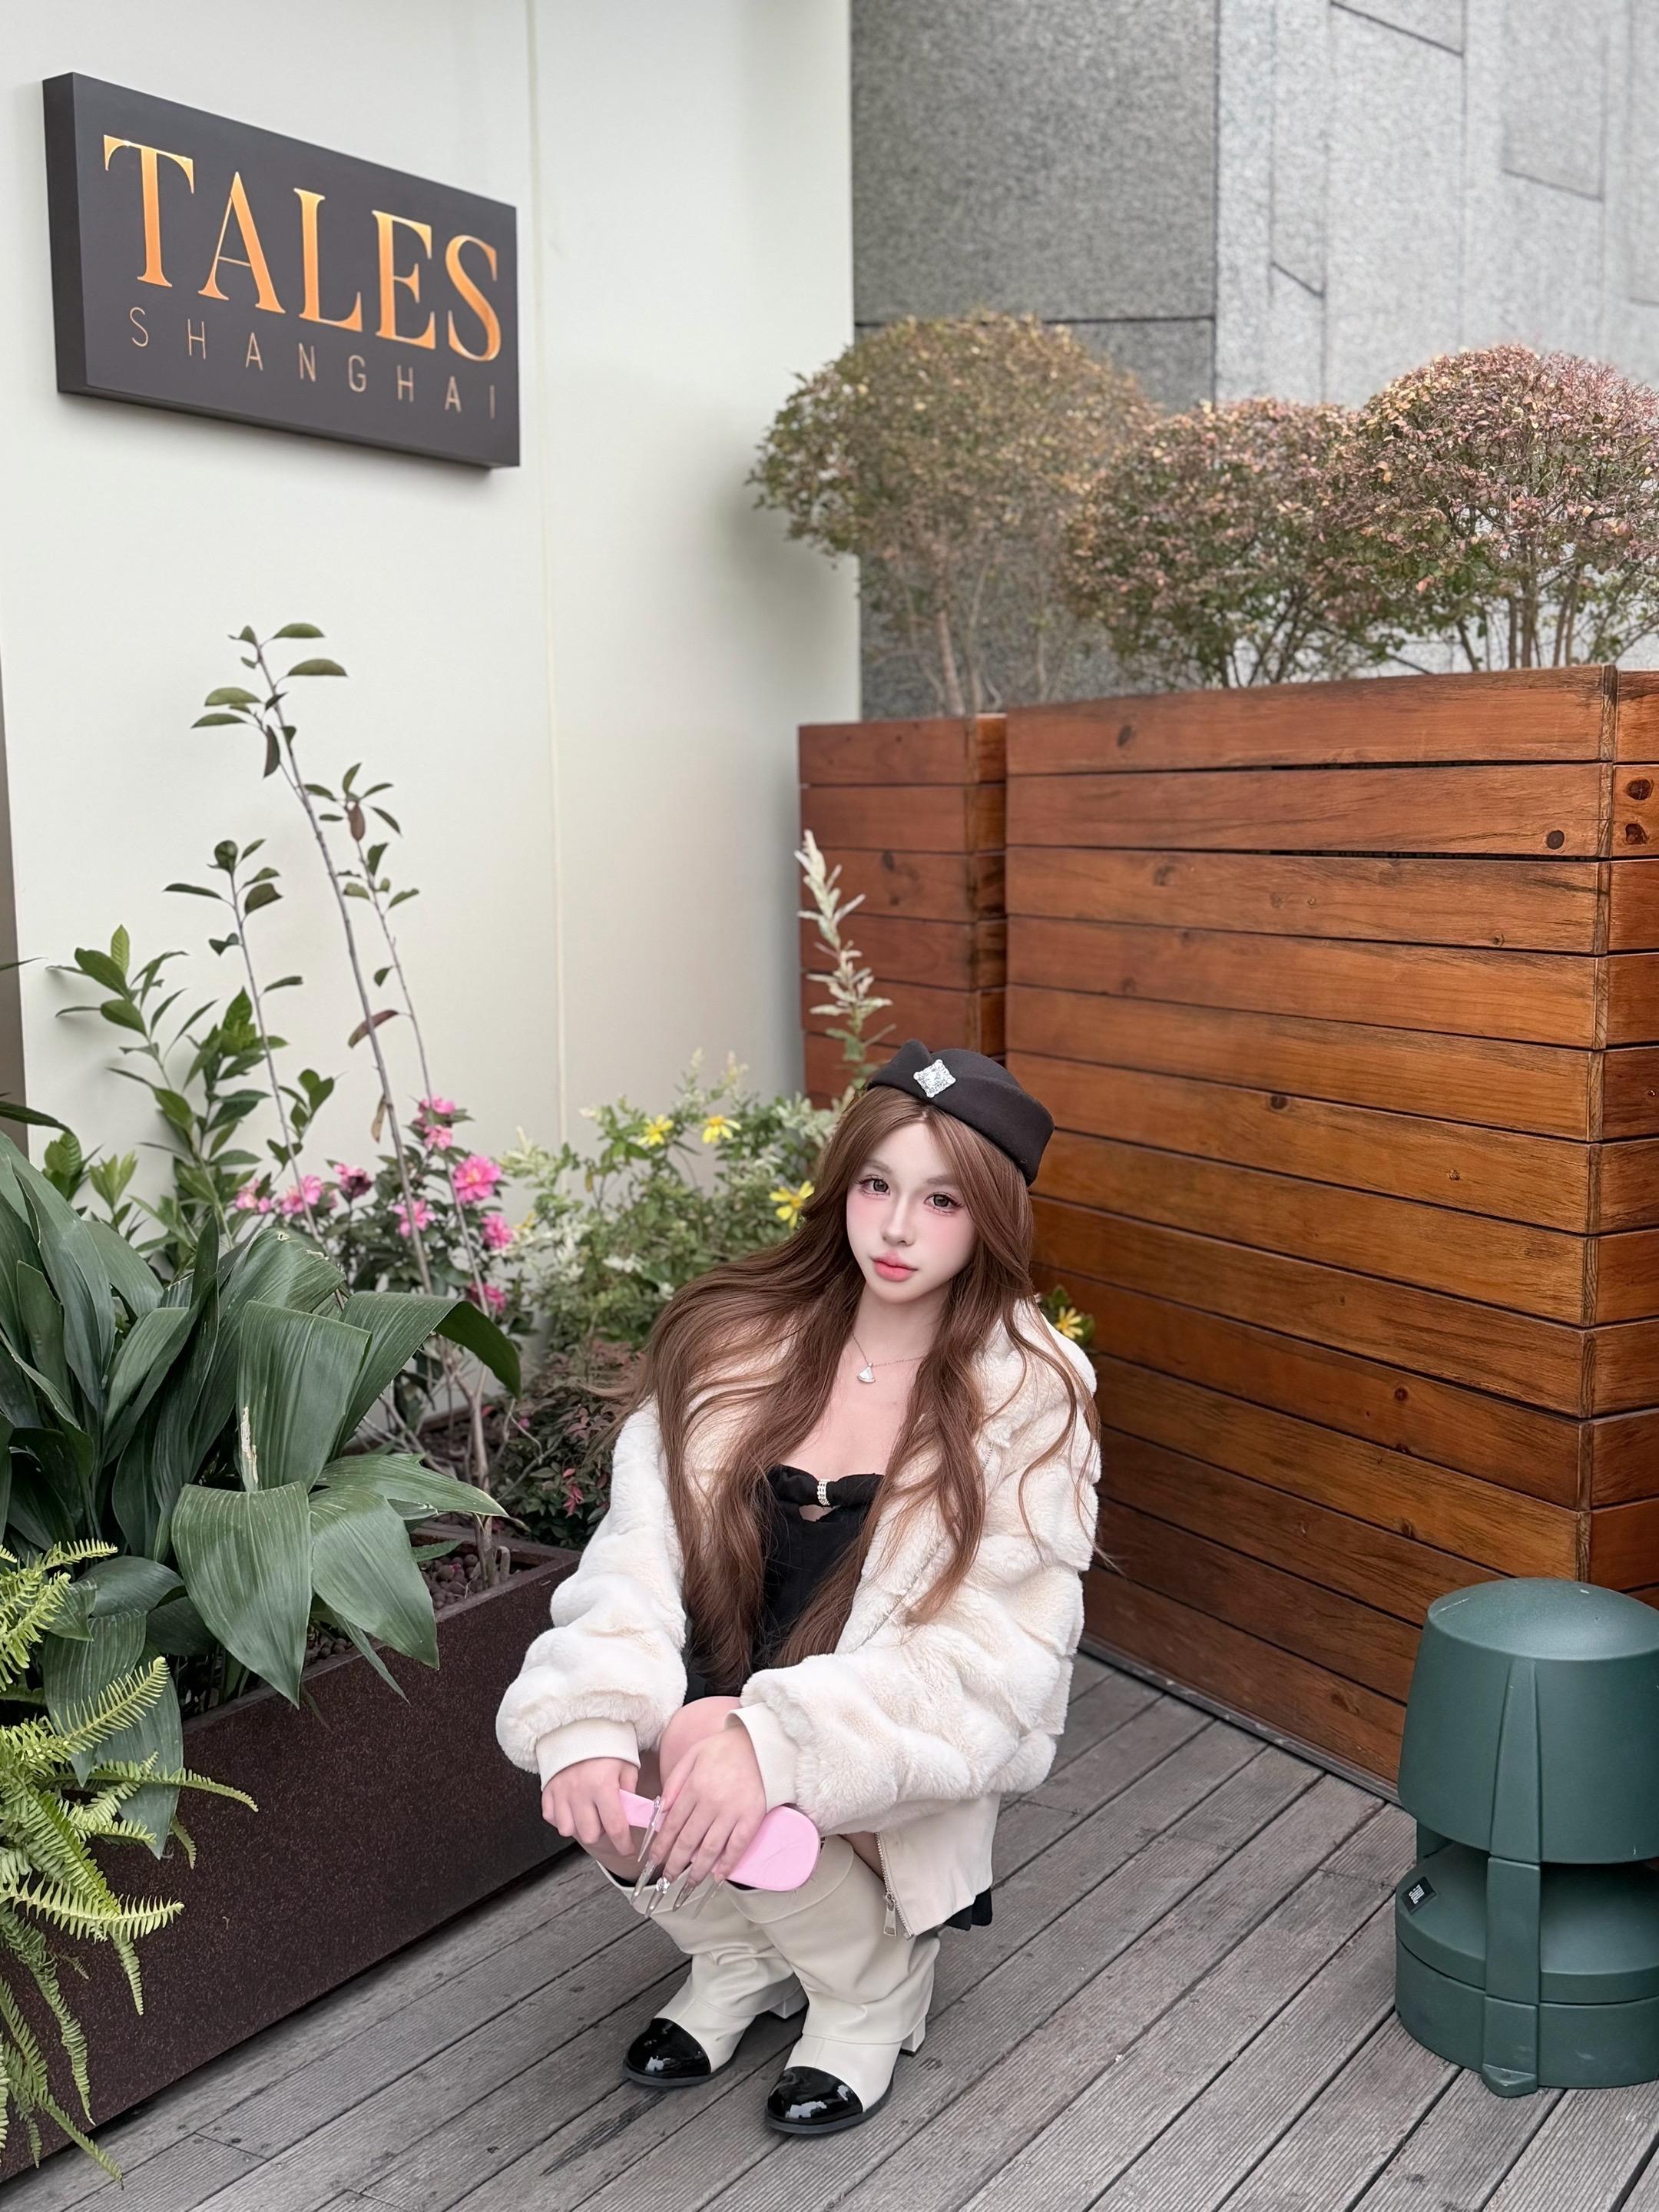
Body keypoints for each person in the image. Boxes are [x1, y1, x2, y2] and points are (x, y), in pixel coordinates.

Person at [494, 1037, 1104, 2137]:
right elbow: (634, 1555)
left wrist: (771, 1741)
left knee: (724, 1751)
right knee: (596, 1759)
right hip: (710, 1711)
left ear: (993, 1217)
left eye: (942, 1200)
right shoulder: (739, 1343)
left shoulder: (1030, 1394)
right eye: (876, 1185)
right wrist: (589, 1715)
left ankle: (868, 1991)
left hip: (874, 1748)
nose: (898, 1229)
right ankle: (739, 1957)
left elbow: (992, 1665)